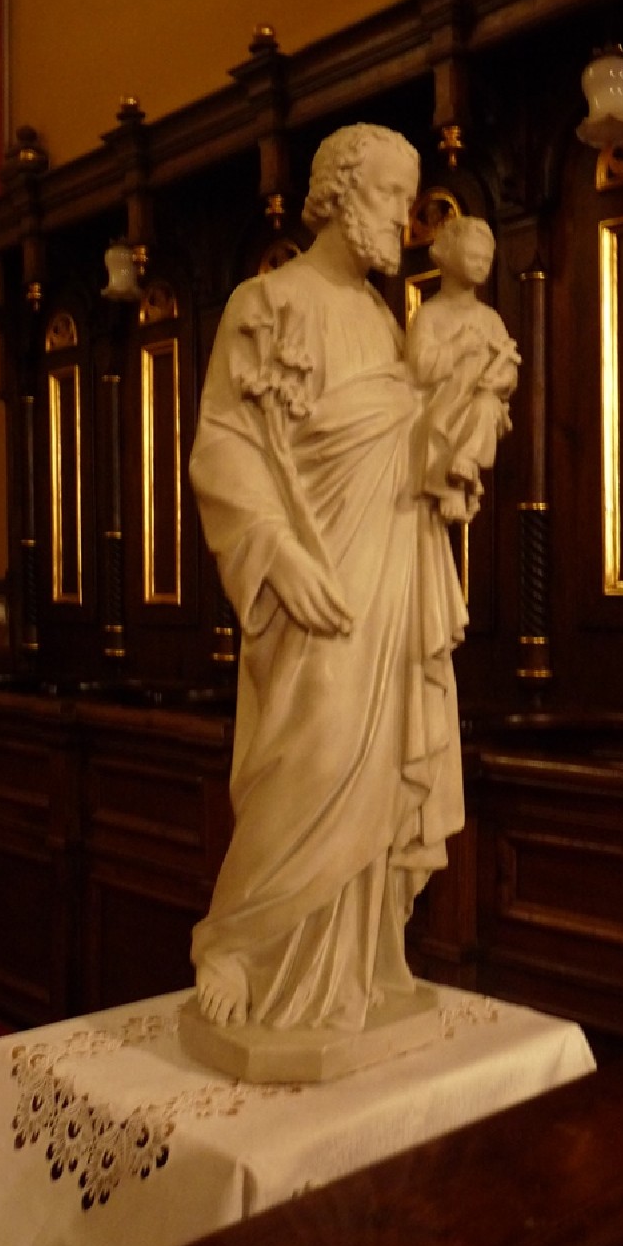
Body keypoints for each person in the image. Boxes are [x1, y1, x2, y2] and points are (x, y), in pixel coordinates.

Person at [188, 123, 467, 1032]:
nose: (404, 220)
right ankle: (236, 940)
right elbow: (222, 449)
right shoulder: (266, 304)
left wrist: (456, 449)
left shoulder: (389, 323)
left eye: (410, 200)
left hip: (391, 578)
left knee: (378, 772)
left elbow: (403, 452)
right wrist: (276, 551)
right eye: (391, 197)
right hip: (313, 581)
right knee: (310, 753)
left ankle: (358, 966)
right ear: (342, 195)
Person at [406, 215, 519, 522]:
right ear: (448, 257)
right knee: (433, 425)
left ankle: (464, 464)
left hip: (479, 404)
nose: (481, 265)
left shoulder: (490, 319)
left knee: (486, 408)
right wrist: (458, 347)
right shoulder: (429, 315)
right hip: (439, 405)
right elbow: (419, 368)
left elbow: (510, 367)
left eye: (486, 259)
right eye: (473, 257)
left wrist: (500, 380)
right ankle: (447, 487)